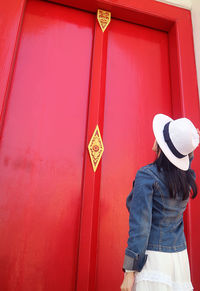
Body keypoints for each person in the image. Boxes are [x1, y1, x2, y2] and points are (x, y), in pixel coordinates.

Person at [120, 113, 200, 291]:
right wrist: (189, 144)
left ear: (163, 147)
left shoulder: (146, 176)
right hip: (178, 260)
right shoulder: (187, 179)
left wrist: (129, 271)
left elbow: (140, 227)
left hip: (153, 262)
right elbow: (185, 163)